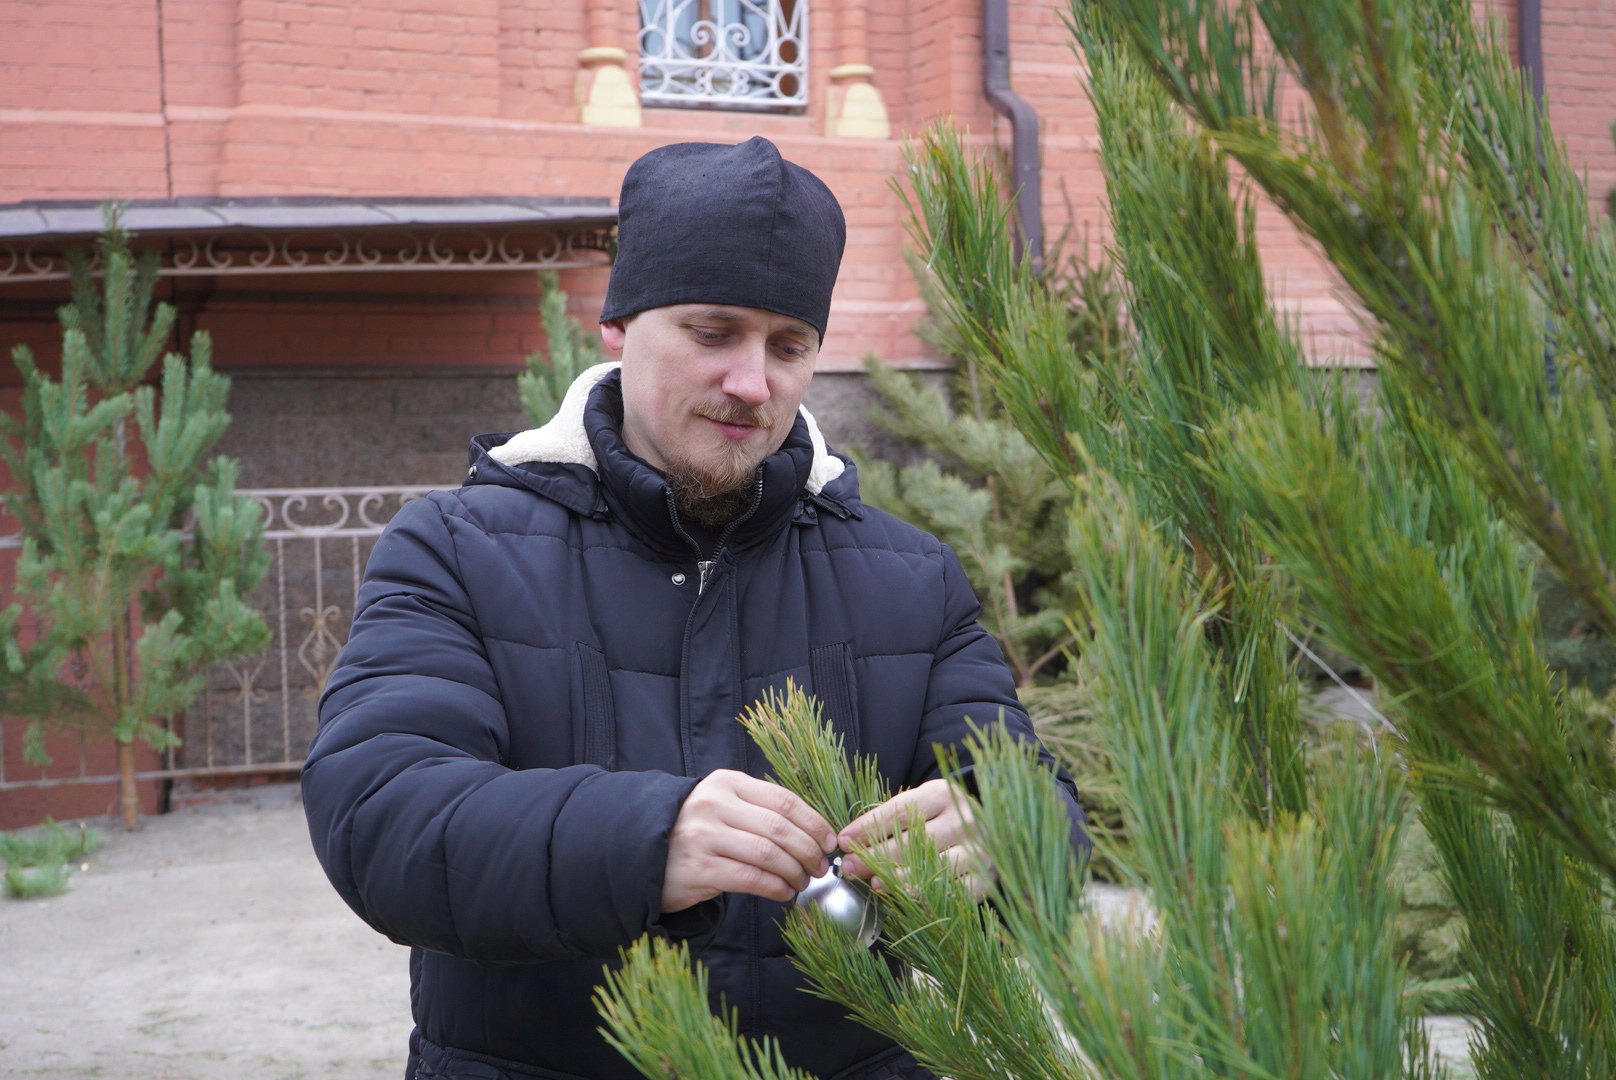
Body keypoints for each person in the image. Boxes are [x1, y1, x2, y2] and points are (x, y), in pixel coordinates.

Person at [303, 136, 1088, 1080]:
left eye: (789, 345)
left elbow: (1037, 804)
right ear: (618, 324)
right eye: (713, 333)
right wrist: (647, 838)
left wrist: (1000, 832)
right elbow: (379, 815)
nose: (755, 384)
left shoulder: (910, 577)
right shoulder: (455, 548)